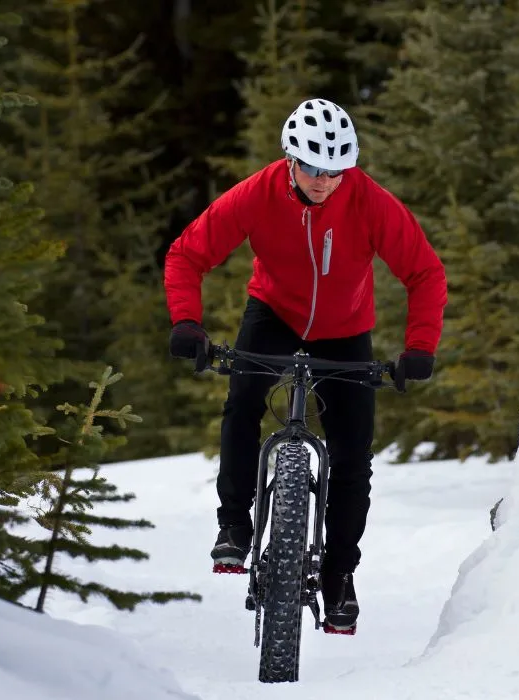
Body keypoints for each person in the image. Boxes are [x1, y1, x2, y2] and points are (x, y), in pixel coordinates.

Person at [163, 98, 447, 633]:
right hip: (273, 313)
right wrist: (187, 323)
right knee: (243, 402)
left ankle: (340, 573)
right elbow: (187, 253)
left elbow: (425, 273)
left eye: (336, 171)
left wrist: (419, 348)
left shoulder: (367, 200)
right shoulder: (258, 193)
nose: (324, 182)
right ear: (291, 159)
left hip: (346, 328)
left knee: (352, 451)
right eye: (314, 168)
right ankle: (234, 526)